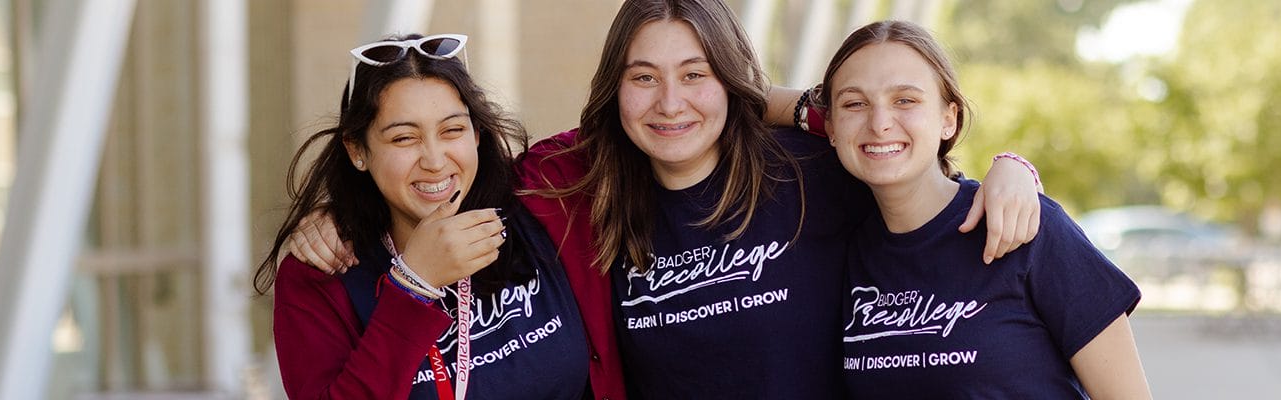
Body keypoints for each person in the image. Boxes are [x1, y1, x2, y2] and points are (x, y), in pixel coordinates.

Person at [284, 1, 1045, 398]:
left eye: (696, 74)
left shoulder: (804, 167)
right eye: (643, 77)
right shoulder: (570, 185)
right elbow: (436, 176)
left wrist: (1010, 168)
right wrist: (371, 244)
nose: (669, 102)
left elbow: (898, 162)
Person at [823, 20, 1151, 398]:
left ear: (949, 118)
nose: (879, 123)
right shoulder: (839, 251)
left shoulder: (1027, 227)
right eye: (854, 104)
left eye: (906, 100)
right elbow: (742, 99)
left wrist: (1015, 165)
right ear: (830, 126)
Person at [253, 33, 589, 399]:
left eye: (452, 130)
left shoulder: (541, 202)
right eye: (403, 139)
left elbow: (637, 127)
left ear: (477, 133)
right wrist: (414, 287)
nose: (434, 160)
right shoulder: (321, 275)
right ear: (357, 150)